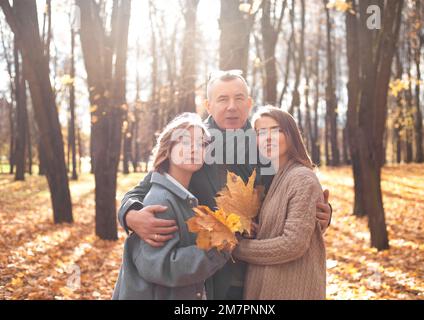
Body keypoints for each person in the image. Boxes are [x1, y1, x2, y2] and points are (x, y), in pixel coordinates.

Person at [117, 70, 332, 299]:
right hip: (208, 277)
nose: (232, 106)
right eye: (222, 99)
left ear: (248, 104)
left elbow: (294, 186)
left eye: (239, 98)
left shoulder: (265, 141)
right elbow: (148, 185)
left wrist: (321, 214)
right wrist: (130, 214)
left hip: (259, 272)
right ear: (209, 105)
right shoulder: (195, 142)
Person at [113, 113, 230, 300]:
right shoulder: (161, 201)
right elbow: (164, 266)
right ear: (168, 149)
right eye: (184, 142)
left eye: (200, 143)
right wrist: (221, 245)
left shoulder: (185, 195)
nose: (194, 149)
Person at [233, 106, 326, 299]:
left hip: (292, 289)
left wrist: (237, 248)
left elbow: (293, 244)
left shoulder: (301, 178)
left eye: (275, 130)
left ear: (291, 135)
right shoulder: (274, 177)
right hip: (266, 289)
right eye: (261, 132)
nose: (268, 138)